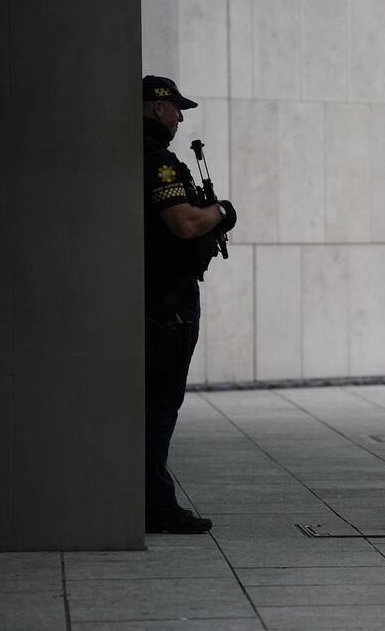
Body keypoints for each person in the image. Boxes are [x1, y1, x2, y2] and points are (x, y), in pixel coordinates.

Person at [143, 75, 237, 533]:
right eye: (176, 108)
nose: (180, 117)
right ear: (157, 108)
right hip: (167, 303)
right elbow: (182, 223)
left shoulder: (127, 155)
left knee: (151, 403)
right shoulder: (158, 162)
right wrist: (222, 211)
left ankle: (146, 497)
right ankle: (156, 505)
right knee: (160, 403)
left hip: (151, 297)